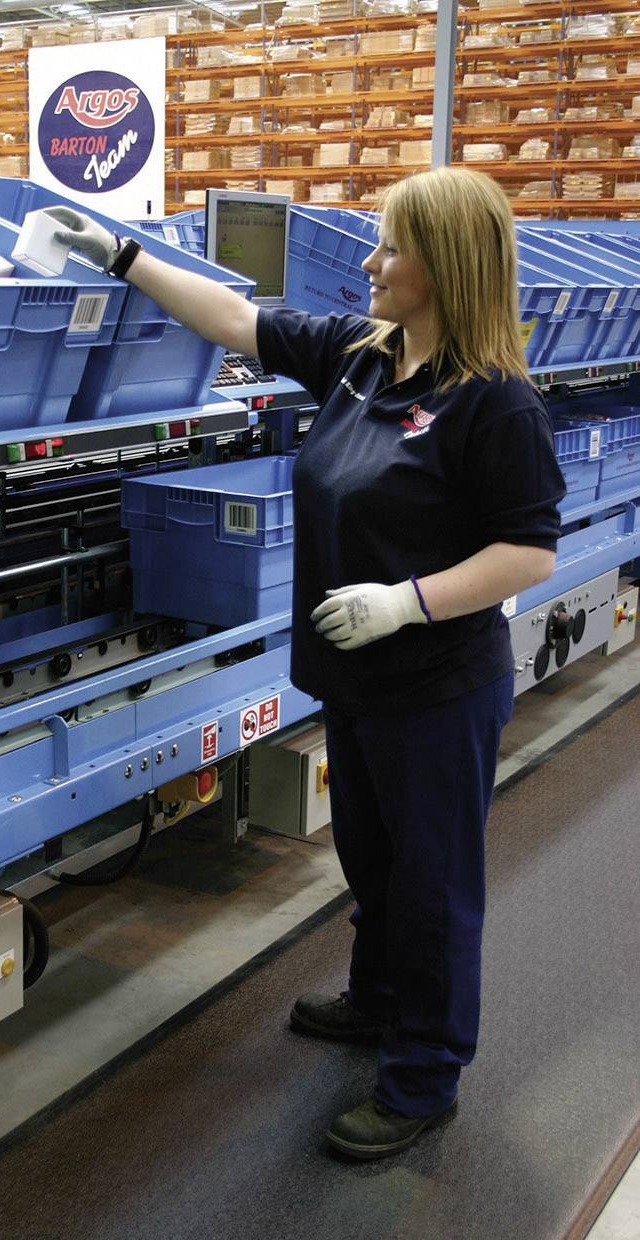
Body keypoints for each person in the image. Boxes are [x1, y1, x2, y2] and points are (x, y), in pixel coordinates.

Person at [49, 168, 566, 1160]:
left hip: (434, 686)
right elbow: (237, 322)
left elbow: (526, 550)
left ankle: (422, 1076)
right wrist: (123, 256)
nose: (367, 264)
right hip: (356, 681)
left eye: (389, 250)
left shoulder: (493, 404)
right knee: (370, 862)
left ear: (444, 268)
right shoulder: (361, 358)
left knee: (430, 883)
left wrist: (404, 602)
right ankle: (377, 1002)